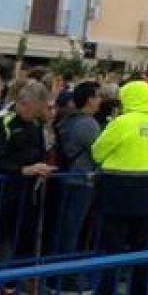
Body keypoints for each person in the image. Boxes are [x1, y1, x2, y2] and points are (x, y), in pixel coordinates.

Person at [92, 79, 148, 295]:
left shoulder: (123, 122)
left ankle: (106, 291)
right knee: (141, 250)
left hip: (117, 190)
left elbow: (97, 151)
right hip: (147, 190)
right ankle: (139, 290)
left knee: (112, 249)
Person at [0, 79, 54, 264]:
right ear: (23, 103)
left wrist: (40, 167)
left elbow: (37, 151)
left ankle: (9, 284)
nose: (37, 115)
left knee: (18, 242)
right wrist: (23, 170)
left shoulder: (35, 124)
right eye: (35, 110)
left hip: (25, 195)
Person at [53, 81, 101, 261]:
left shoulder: (69, 119)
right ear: (89, 100)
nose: (100, 101)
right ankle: (65, 272)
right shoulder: (88, 124)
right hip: (81, 180)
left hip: (70, 177)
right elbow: (99, 151)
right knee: (72, 228)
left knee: (67, 227)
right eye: (97, 97)